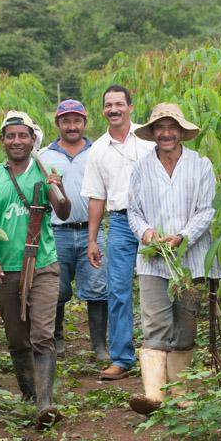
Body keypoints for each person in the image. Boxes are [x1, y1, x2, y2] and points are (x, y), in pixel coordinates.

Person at [125, 103, 221, 415]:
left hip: (190, 257)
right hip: (153, 259)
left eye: (172, 128)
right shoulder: (140, 168)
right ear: (152, 133)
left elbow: (206, 210)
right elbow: (133, 212)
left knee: (186, 324)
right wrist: (149, 233)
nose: (166, 133)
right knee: (155, 321)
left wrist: (181, 236)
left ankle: (180, 391)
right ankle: (153, 395)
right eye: (160, 128)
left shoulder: (200, 165)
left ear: (181, 132)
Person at [0, 110, 71, 429]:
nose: (17, 141)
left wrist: (57, 187)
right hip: (7, 269)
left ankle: (46, 403)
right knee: (18, 339)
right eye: (10, 136)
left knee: (43, 335)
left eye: (23, 136)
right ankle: (30, 394)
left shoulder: (46, 171)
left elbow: (63, 210)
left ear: (33, 140)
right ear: (2, 141)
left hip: (43, 263)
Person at [80, 85, 153, 380]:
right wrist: (93, 239)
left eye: (119, 104)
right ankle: (122, 358)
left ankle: (161, 353)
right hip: (121, 223)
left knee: (157, 287)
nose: (114, 109)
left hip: (152, 220)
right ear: (103, 111)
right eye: (108, 105)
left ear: (130, 107)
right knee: (118, 290)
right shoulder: (97, 150)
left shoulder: (148, 140)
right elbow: (96, 198)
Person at [39, 100, 109, 360]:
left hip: (92, 230)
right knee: (55, 288)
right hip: (57, 231)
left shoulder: (98, 152)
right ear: (57, 124)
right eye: (66, 121)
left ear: (84, 123)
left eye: (76, 120)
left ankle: (99, 345)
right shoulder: (45, 156)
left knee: (98, 286)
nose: (71, 126)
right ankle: (56, 339)